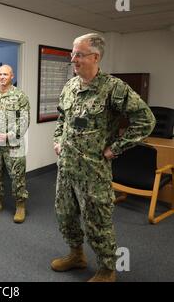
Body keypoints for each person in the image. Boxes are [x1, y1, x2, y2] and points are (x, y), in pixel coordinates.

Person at [52, 33, 155, 282]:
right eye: (73, 53)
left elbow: (146, 121)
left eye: (79, 54)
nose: (73, 58)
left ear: (95, 56)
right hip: (66, 168)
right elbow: (62, 117)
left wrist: (115, 148)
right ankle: (76, 255)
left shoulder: (113, 88)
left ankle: (107, 270)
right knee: (65, 215)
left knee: (97, 221)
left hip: (93, 171)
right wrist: (57, 139)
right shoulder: (70, 86)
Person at [0, 64, 30, 223]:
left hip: (13, 145)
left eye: (5, 74)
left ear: (12, 76)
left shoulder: (20, 96)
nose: (2, 77)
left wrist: (7, 136)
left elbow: (24, 120)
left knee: (17, 176)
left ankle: (20, 205)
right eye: (0, 74)